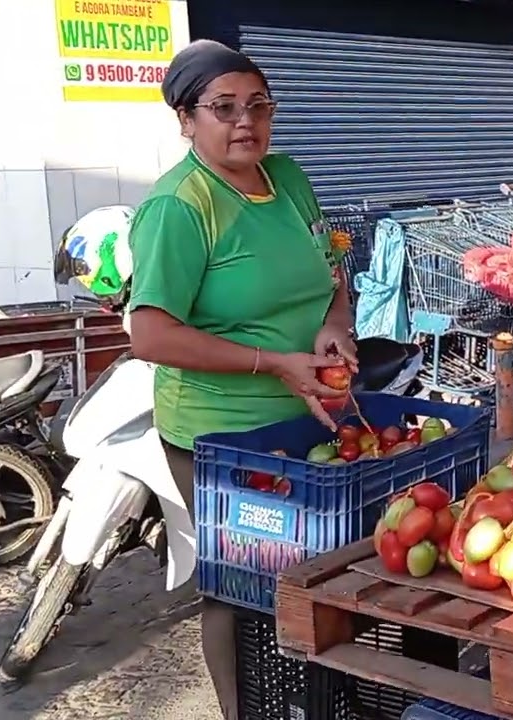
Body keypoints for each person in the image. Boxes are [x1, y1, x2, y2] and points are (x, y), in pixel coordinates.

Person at [126, 40, 358, 720]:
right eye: (222, 108)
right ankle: (242, 711)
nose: (244, 122)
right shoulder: (180, 206)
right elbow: (151, 335)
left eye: (257, 105)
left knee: (315, 575)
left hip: (308, 413)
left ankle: (319, 698)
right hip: (219, 435)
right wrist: (273, 363)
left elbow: (330, 275)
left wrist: (333, 327)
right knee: (235, 584)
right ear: (185, 119)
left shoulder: (287, 177)